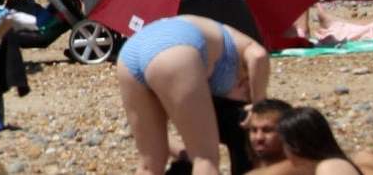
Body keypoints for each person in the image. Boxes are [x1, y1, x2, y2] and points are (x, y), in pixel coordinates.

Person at [115, 14, 269, 175]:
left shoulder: (211, 58)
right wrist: (259, 106)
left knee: (149, 165)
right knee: (205, 159)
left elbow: (160, 133)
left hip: (131, 52)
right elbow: (259, 55)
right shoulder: (245, 48)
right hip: (176, 45)